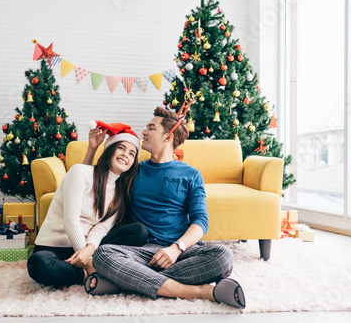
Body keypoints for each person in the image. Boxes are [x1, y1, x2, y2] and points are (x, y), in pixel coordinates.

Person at [83, 107, 246, 309]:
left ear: (168, 137)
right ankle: (200, 291)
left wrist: (176, 249)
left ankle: (126, 280)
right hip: (142, 253)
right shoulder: (133, 170)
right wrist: (92, 148)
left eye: (151, 128)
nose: (143, 132)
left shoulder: (191, 174)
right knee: (103, 255)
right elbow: (90, 182)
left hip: (180, 253)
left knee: (224, 256)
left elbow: (201, 221)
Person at [27, 122, 148, 289]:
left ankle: (74, 274)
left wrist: (88, 251)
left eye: (132, 153)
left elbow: (102, 228)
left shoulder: (121, 193)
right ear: (110, 150)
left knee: (139, 232)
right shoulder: (80, 172)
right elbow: (70, 220)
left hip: (89, 248)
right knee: (38, 264)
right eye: (121, 148)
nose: (126, 155)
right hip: (54, 248)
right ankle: (89, 274)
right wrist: (88, 264)